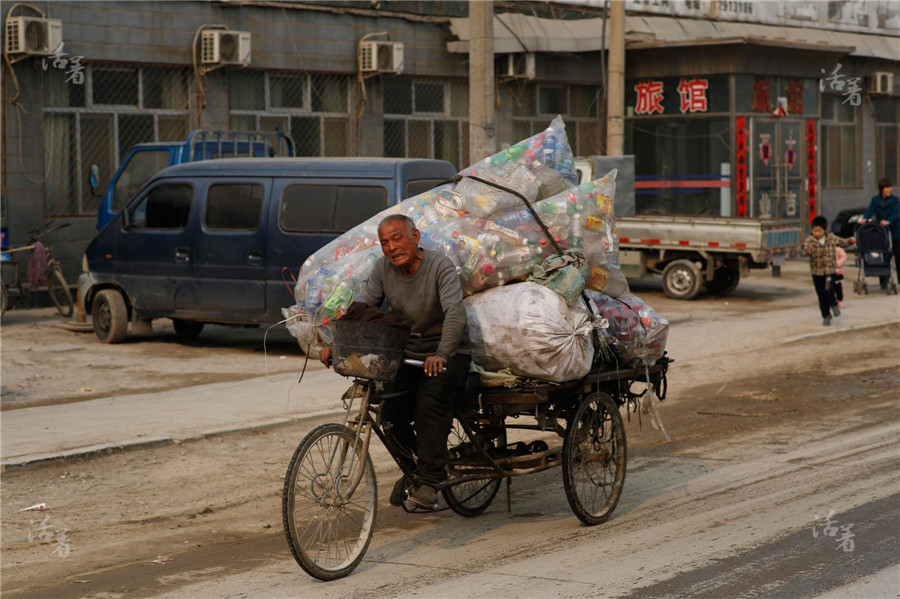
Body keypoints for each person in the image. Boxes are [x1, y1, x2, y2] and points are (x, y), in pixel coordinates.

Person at [319, 214, 470, 510]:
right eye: (384, 242)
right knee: (388, 414)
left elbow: (455, 312)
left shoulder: (440, 266)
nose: (391, 247)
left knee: (429, 402)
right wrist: (335, 344)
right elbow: (363, 309)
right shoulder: (383, 269)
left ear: (415, 236)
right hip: (408, 355)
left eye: (397, 238)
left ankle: (429, 481)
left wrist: (442, 352)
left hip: (447, 354)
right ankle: (420, 471)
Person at [802, 215, 854, 326]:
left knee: (828, 291)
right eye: (814, 230)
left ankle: (834, 304)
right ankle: (826, 315)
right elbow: (804, 250)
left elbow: (842, 242)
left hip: (829, 271)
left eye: (819, 231)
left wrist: (850, 241)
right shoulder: (810, 240)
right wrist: (808, 252)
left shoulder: (831, 238)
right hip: (816, 272)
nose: (816, 233)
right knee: (821, 295)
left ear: (824, 230)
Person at [861, 178, 900, 286]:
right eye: (887, 188)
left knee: (898, 255)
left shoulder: (895, 200)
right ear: (882, 189)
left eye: (890, 187)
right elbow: (870, 211)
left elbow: (896, 214)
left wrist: (889, 221)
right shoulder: (875, 200)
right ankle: (883, 280)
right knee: (883, 255)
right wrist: (865, 219)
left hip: (895, 231)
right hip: (881, 232)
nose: (889, 190)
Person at [834, 245, 847, 309]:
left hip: (837, 272)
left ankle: (840, 300)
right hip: (826, 272)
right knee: (828, 288)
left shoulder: (838, 250)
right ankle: (831, 301)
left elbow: (843, 257)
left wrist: (837, 264)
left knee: (838, 287)